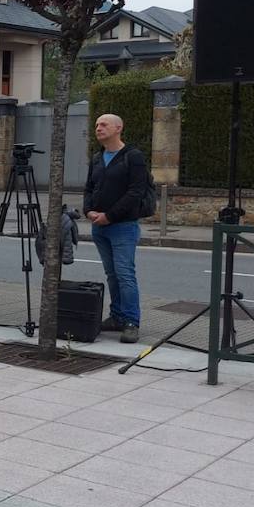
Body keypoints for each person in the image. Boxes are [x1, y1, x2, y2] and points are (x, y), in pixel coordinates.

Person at [84, 113, 148, 343]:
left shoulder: (133, 157)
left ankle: (131, 321)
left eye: (104, 124)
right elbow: (89, 188)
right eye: (97, 124)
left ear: (118, 128)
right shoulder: (97, 158)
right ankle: (117, 316)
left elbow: (135, 192)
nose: (98, 128)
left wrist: (110, 216)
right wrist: (88, 211)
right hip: (99, 226)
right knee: (112, 275)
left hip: (122, 226)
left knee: (125, 274)